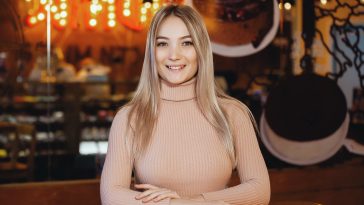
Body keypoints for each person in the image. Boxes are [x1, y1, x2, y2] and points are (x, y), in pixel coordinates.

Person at [100, 4, 270, 205]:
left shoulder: (233, 114)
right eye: (162, 44)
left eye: (187, 43)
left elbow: (260, 191)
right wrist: (177, 203)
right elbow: (111, 196)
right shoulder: (129, 118)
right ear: (151, 52)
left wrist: (194, 201)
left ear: (201, 49)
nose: (174, 55)